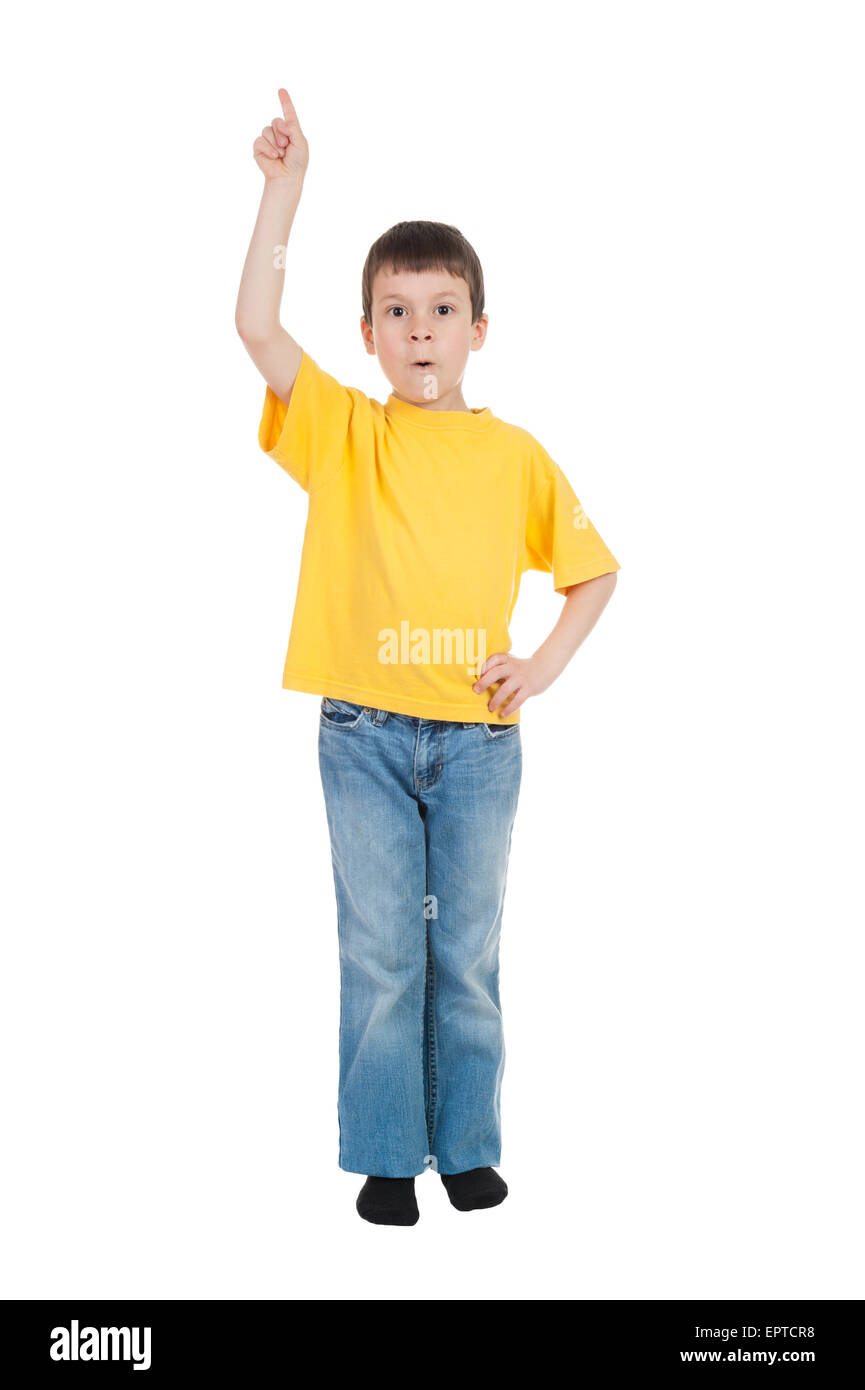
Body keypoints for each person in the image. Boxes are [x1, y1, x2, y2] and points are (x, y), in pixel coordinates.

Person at [235, 89, 621, 1226]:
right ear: (366, 333)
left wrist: (540, 668)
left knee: (465, 955)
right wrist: (283, 191)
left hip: (478, 742)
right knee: (382, 955)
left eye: (440, 309)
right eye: (395, 311)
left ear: (477, 328)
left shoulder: (516, 455)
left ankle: (468, 1147)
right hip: (362, 733)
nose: (417, 330)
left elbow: (593, 572)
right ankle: (387, 1156)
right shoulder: (345, 431)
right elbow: (257, 331)